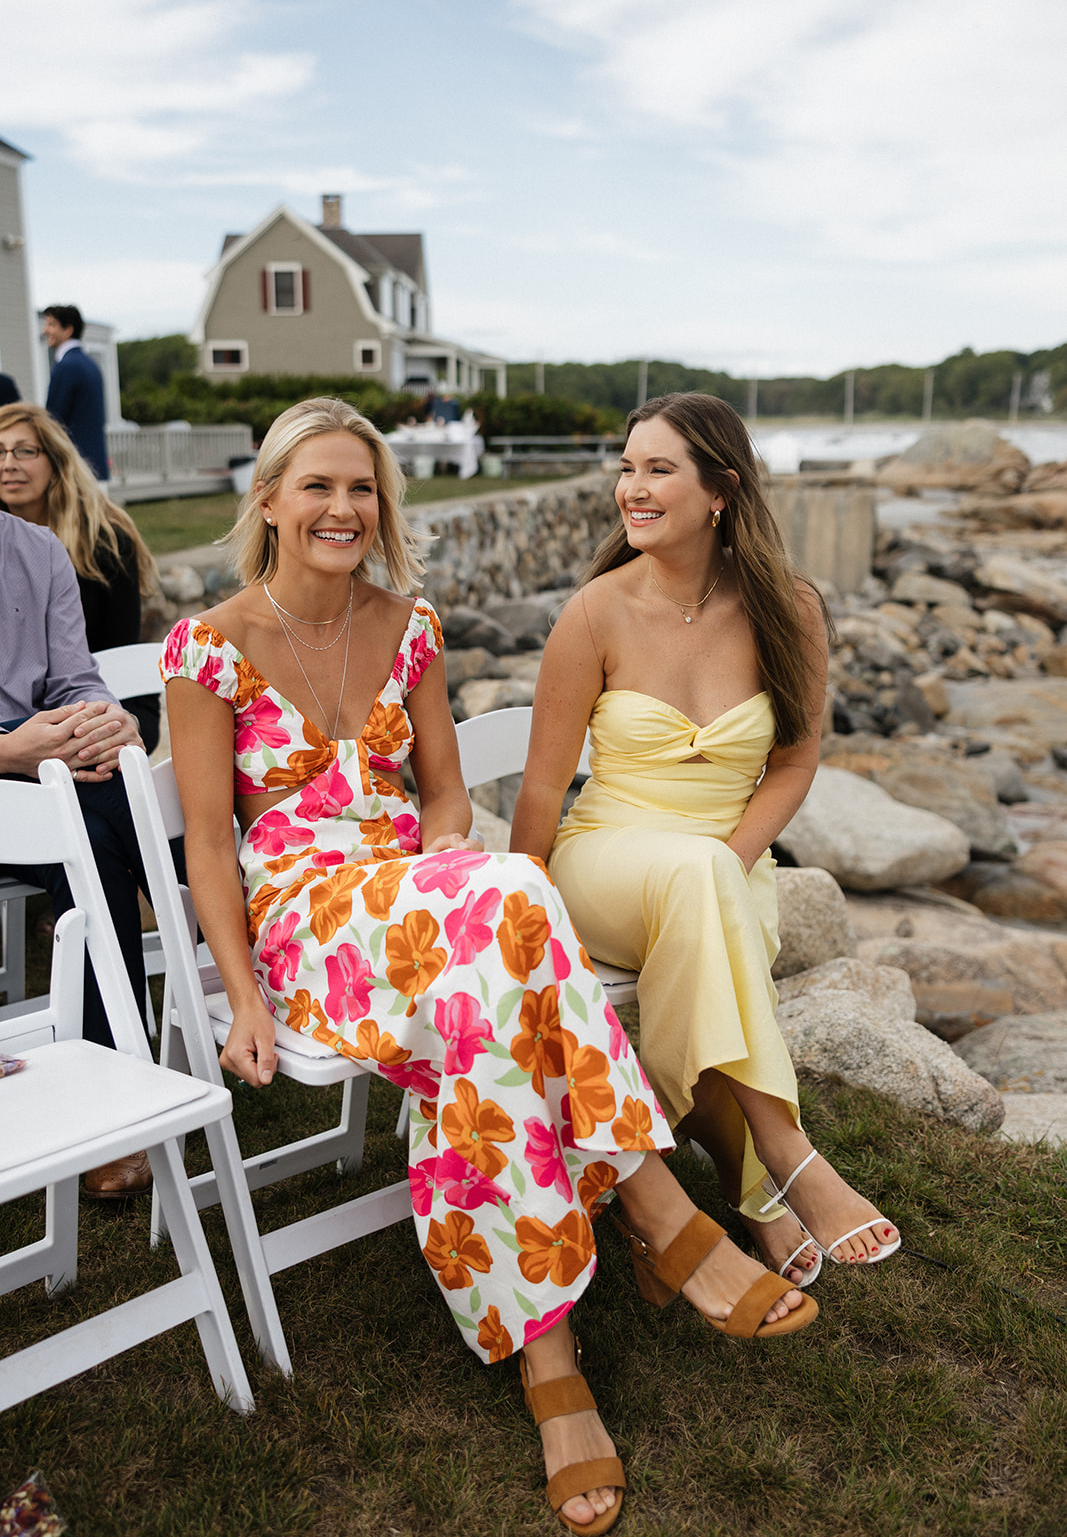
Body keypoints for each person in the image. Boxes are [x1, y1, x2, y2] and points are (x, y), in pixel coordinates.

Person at [162, 396, 817, 1537]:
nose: (342, 507)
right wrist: (245, 994)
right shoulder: (207, 645)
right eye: (316, 485)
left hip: (422, 906)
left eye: (361, 487)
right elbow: (211, 844)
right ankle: (652, 1209)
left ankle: (550, 1356)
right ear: (266, 501)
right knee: (509, 897)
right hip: (309, 924)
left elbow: (447, 798)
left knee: (488, 964)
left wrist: (442, 865)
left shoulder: (407, 624)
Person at [510, 392, 900, 1289]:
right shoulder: (594, 613)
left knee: (702, 891)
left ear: (720, 489)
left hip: (725, 870)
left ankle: (748, 1196)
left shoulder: (787, 609)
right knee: (695, 885)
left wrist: (729, 861)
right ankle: (784, 1148)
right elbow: (539, 784)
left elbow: (794, 765)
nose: (631, 489)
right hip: (606, 859)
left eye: (658, 470)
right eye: (625, 468)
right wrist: (520, 901)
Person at [0, 508, 157, 1197]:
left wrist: (105, 719)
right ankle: (249, 954)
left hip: (42, 756)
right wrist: (10, 751)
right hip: (17, 754)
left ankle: (113, 1092)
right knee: (106, 828)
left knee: (109, 807)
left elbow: (72, 677)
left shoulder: (34, 547)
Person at [0, 402, 161, 751]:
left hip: (100, 697)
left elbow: (116, 656)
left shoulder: (106, 543)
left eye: (24, 451)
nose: (8, 463)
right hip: (29, 722)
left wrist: (115, 723)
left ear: (56, 460)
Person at [42, 304, 109, 481]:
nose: (45, 330)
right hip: (94, 463)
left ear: (68, 330)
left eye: (51, 324)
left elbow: (53, 420)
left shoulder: (66, 367)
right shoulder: (91, 365)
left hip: (74, 465)